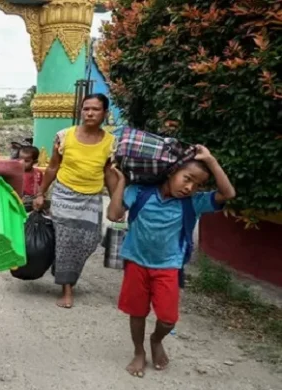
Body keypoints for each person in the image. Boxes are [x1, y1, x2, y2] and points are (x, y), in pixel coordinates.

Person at [106, 146, 235, 378]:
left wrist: (212, 161)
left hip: (168, 266)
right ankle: (138, 351)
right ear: (171, 172)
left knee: (167, 318)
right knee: (137, 312)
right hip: (136, 262)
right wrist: (122, 182)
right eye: (187, 179)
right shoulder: (140, 192)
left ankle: (156, 340)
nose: (190, 188)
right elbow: (113, 215)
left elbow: (227, 194)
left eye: (197, 185)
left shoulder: (193, 203)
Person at [32, 93, 118, 309]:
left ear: (105, 113)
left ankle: (63, 271)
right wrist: (41, 193)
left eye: (95, 109)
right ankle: (66, 289)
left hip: (91, 198)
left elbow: (109, 174)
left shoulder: (110, 142)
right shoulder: (64, 136)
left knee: (89, 241)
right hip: (64, 195)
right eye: (86, 108)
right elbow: (53, 167)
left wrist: (118, 201)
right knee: (66, 242)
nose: (89, 113)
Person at [19, 145, 44, 211]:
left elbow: (42, 189)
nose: (22, 162)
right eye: (20, 159)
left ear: (35, 162)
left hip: (33, 203)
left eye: (26, 161)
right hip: (18, 202)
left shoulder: (38, 173)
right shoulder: (15, 172)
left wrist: (40, 196)